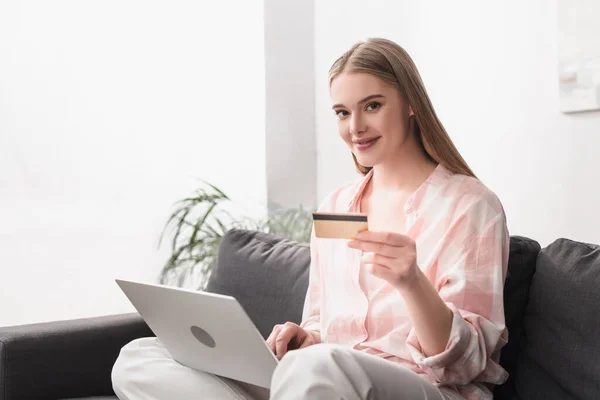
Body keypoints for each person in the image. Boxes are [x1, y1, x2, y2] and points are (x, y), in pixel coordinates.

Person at [112, 38, 509, 400]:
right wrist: (307, 336)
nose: (355, 128)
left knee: (318, 366)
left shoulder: (470, 206)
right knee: (141, 357)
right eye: (342, 112)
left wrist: (413, 284)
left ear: (410, 104)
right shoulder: (338, 206)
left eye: (372, 105)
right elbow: (323, 322)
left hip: (421, 388)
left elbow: (465, 363)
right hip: (321, 382)